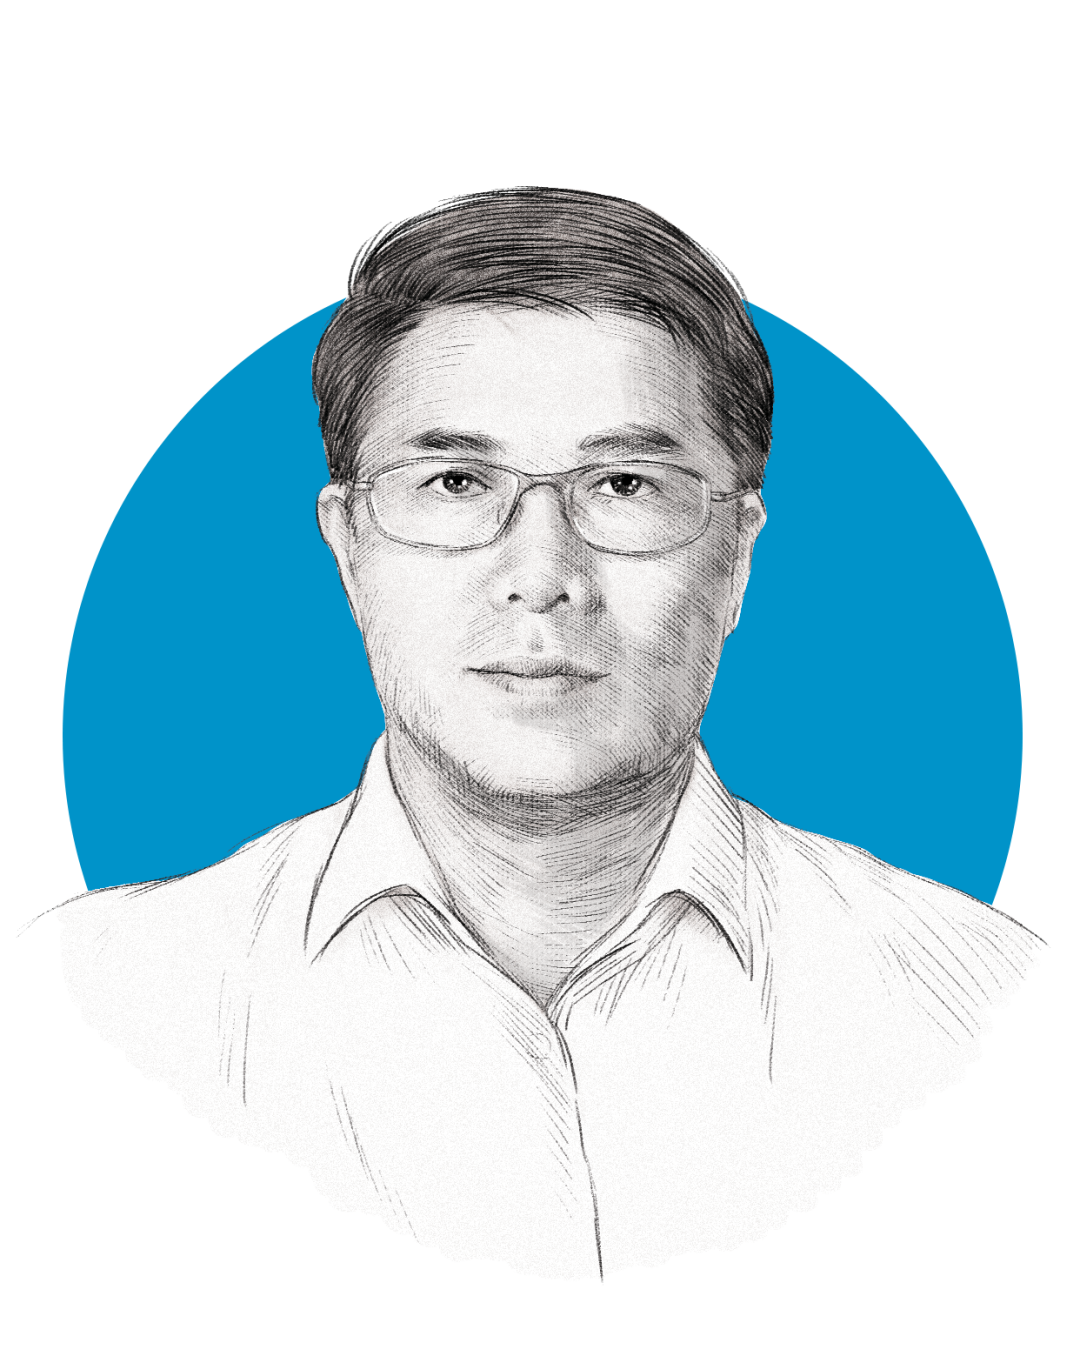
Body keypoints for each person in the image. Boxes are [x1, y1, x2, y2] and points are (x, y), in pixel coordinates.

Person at [57, 188, 1037, 1281]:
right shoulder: (124, 990)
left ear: (738, 557)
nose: (541, 576)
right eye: (455, 482)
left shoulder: (966, 991)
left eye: (623, 484)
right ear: (348, 550)